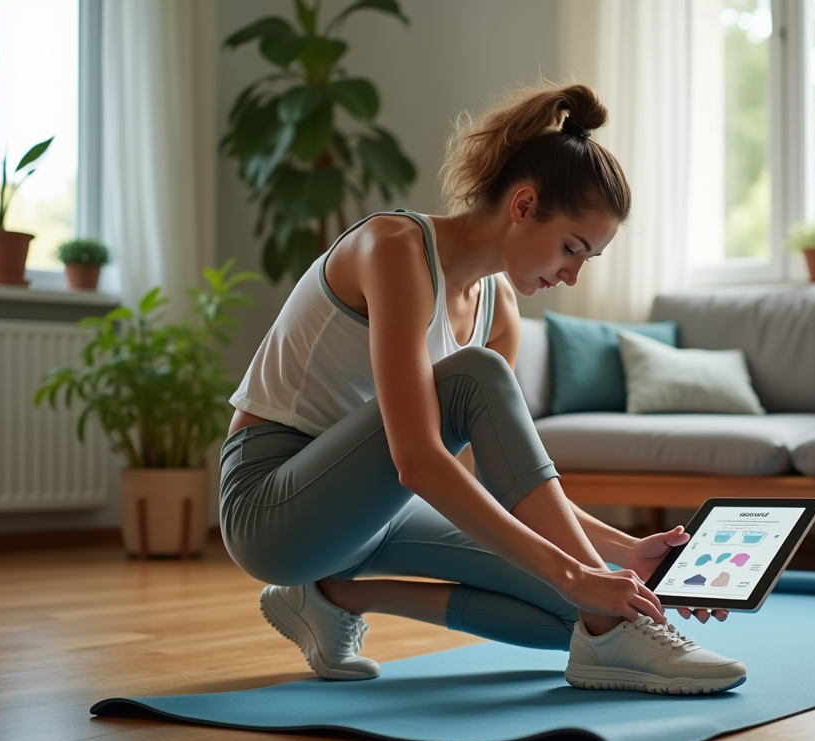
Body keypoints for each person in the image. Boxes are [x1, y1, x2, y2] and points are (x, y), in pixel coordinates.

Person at [219, 83, 746, 695]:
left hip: (376, 517)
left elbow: (491, 484)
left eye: (588, 259)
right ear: (523, 205)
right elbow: (417, 461)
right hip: (272, 508)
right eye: (572, 248)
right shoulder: (394, 248)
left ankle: (336, 596)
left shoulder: (499, 309)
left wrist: (620, 554)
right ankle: (610, 628)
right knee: (478, 379)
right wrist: (579, 575)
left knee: (571, 616)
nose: (572, 274)